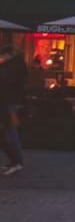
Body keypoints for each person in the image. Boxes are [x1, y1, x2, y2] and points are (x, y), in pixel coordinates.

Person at [0, 46, 27, 176]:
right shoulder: (16, 64)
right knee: (10, 132)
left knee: (11, 132)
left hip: (9, 103)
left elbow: (8, 84)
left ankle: (17, 161)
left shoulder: (12, 66)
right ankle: (15, 161)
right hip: (10, 102)